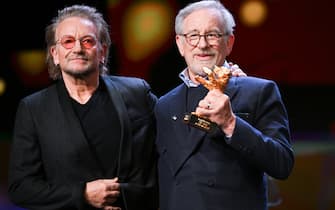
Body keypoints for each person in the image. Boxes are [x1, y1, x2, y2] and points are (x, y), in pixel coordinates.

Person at [8, 5, 158, 210]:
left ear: (102, 51)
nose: (78, 48)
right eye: (68, 41)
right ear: (55, 54)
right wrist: (83, 194)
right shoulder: (33, 109)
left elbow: (177, 127)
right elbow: (21, 188)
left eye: (87, 41)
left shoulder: (137, 92)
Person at [154, 1, 295, 210]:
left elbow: (282, 164)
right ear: (180, 44)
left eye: (212, 35)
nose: (202, 44)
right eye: (193, 35)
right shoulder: (164, 105)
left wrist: (230, 123)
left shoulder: (258, 91)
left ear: (229, 42)